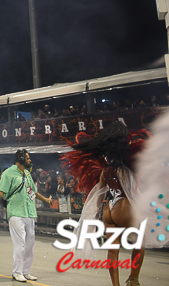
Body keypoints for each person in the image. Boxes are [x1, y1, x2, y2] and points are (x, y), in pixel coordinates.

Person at [61, 121, 147, 286]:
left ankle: (116, 285)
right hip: (124, 207)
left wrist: (91, 216)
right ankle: (133, 279)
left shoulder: (105, 171)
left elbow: (99, 194)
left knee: (113, 251)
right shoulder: (129, 167)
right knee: (139, 242)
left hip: (109, 210)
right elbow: (137, 187)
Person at [0, 149, 52, 283]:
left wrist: (46, 200)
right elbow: (0, 191)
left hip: (29, 212)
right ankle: (17, 272)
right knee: (20, 243)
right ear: (20, 159)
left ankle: (26, 271)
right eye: (27, 158)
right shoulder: (9, 173)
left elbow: (33, 193)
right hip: (15, 213)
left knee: (30, 244)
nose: (30, 160)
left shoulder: (27, 174)